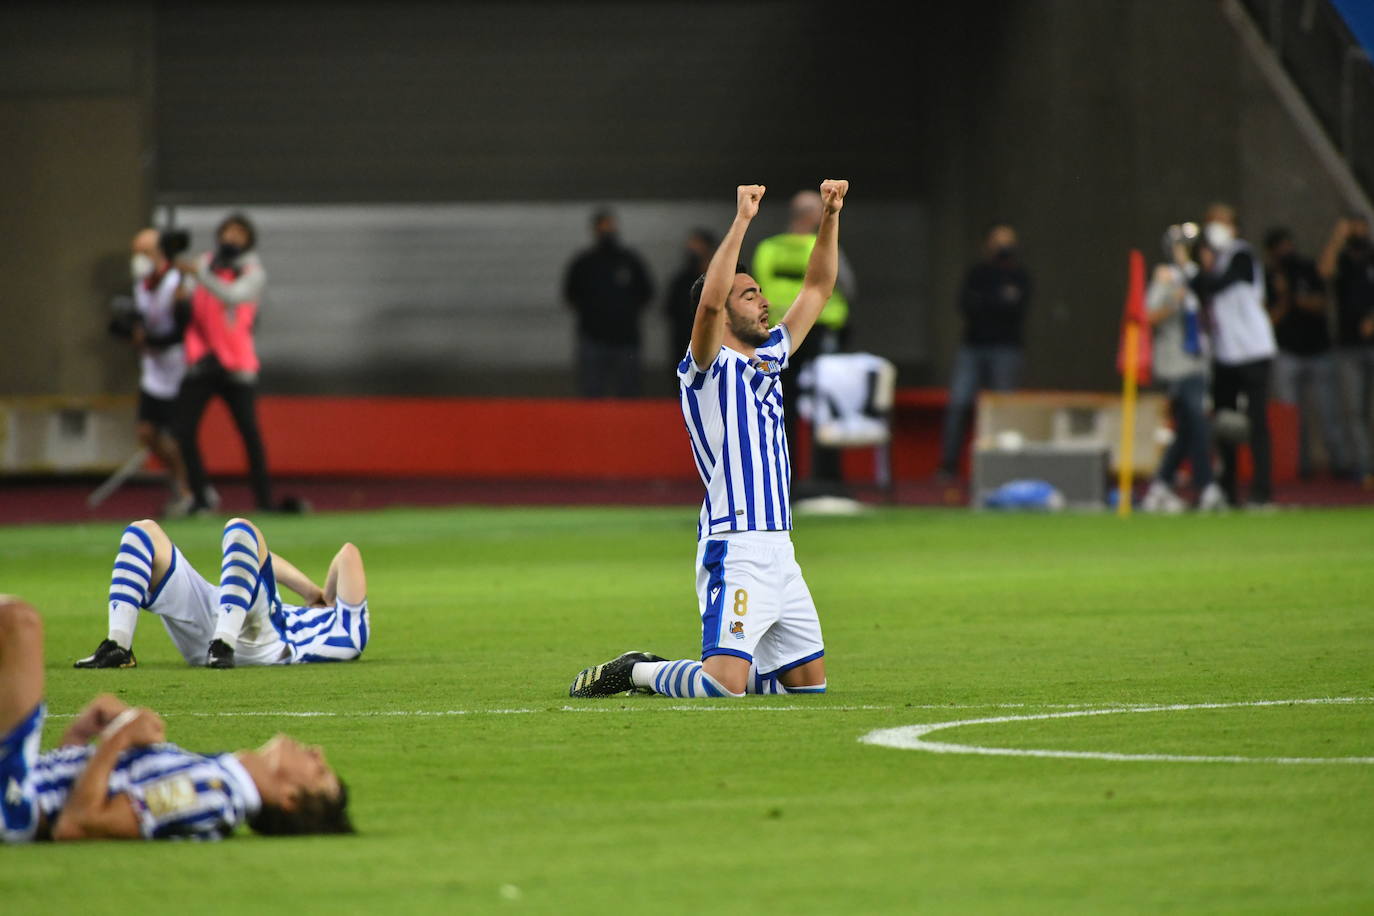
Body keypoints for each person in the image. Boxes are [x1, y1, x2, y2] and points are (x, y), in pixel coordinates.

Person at [567, 179, 848, 699]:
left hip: (780, 547)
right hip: (734, 544)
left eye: (760, 292)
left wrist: (830, 216)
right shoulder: (705, 368)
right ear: (724, 311)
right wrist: (741, 220)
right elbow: (710, 305)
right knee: (723, 689)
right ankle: (638, 671)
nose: (763, 302)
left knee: (809, 688)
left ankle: (736, 663)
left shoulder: (770, 358)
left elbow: (817, 289)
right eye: (750, 294)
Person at [0, 596, 352, 842]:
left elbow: (78, 824)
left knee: (18, 623)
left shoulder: (213, 795)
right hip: (22, 789)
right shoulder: (216, 776)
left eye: (319, 772)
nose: (318, 752)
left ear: (289, 798)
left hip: (16, 804)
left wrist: (119, 738)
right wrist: (79, 738)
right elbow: (73, 793)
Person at [73, 515, 369, 670]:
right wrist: (314, 596)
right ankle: (118, 646)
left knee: (240, 528)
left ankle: (223, 644)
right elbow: (256, 560)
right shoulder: (341, 631)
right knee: (143, 531)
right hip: (223, 624)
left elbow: (348, 554)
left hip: (263, 643)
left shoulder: (352, 632)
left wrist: (317, 593)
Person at [751, 189, 856, 496]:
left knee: (780, 406)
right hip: (821, 331)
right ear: (813, 216)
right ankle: (829, 480)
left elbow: (757, 289)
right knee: (828, 405)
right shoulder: (821, 244)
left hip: (779, 335)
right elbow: (847, 285)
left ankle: (785, 480)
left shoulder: (767, 249)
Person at [172, 212, 274, 514]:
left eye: (239, 233)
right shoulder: (205, 263)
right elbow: (188, 305)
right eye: (227, 232)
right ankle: (202, 497)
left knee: (249, 434)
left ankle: (264, 501)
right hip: (203, 362)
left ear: (248, 240)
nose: (231, 238)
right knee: (183, 430)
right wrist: (180, 289)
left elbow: (232, 295)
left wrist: (199, 272)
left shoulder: (253, 271)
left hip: (236, 365)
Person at [1186, 203, 1277, 508]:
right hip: (1225, 354)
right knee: (1225, 422)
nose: (1217, 227)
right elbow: (1197, 287)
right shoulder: (1209, 260)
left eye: (1222, 222)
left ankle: (1262, 492)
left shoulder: (1240, 254)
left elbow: (1219, 283)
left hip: (1253, 349)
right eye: (1212, 221)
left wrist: (1204, 267)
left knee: (1255, 420)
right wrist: (1200, 266)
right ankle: (1228, 490)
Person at [936, 224, 1032, 480]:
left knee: (1003, 408)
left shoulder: (1020, 275)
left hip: (1006, 349)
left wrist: (989, 302)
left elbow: (1017, 309)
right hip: (973, 346)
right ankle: (948, 466)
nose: (1003, 248)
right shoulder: (977, 273)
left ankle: (1002, 468)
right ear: (988, 244)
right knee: (958, 404)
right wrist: (999, 300)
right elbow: (966, 305)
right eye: (998, 242)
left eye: (1007, 242)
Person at [1140, 225, 1226, 512]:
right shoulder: (1166, 277)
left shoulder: (1199, 278)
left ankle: (1160, 485)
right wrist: (1173, 302)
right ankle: (1207, 486)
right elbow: (1148, 316)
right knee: (1197, 422)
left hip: (1199, 361)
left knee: (1189, 428)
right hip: (1176, 363)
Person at [1263, 226, 1347, 480]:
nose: (1285, 250)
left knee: (1329, 412)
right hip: (1287, 353)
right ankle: (1298, 467)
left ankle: (1341, 464)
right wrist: (1285, 296)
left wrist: (1299, 299)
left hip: (1318, 350)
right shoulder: (1270, 277)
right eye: (1280, 246)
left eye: (1287, 243)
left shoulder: (1306, 268)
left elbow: (1322, 303)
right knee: (1292, 418)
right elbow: (1269, 319)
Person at [126, 227, 194, 515]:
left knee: (179, 435)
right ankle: (178, 482)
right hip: (152, 371)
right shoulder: (142, 285)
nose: (140, 259)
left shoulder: (177, 281)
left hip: (178, 369)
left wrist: (151, 341)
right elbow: (141, 319)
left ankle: (188, 490)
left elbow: (181, 329)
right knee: (147, 431)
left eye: (145, 252)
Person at [562, 208, 655, 398]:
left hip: (626, 339)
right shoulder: (584, 263)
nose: (608, 231)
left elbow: (647, 293)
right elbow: (570, 295)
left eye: (610, 227)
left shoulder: (630, 261)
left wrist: (625, 312)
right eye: (603, 227)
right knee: (592, 393)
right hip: (592, 339)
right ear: (595, 230)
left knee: (629, 394)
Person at [1317, 212, 1374, 488]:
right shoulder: (1342, 257)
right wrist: (1338, 237)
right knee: (1353, 410)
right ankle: (1364, 468)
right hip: (1348, 345)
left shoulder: (1371, 255)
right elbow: (1324, 271)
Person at [665, 227, 716, 369]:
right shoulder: (681, 281)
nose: (692, 250)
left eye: (696, 245)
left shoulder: (719, 281)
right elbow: (670, 310)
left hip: (713, 344)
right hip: (684, 343)